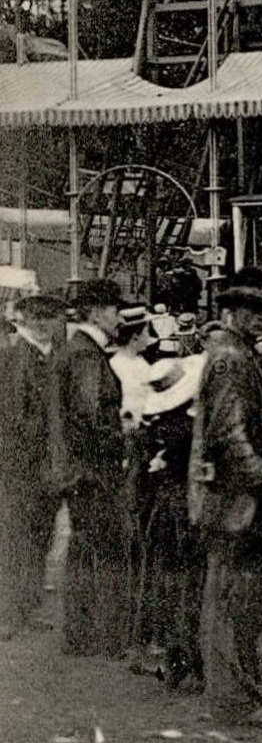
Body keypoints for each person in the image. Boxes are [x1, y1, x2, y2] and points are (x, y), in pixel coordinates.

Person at [190, 277, 262, 725]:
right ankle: (232, 701)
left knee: (241, 600)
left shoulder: (239, 353)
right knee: (233, 601)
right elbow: (228, 435)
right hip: (238, 499)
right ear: (231, 312)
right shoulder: (230, 359)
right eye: (251, 309)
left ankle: (240, 693)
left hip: (241, 496)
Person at [52, 279, 133, 658]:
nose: (120, 317)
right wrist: (124, 437)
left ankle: (80, 634)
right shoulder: (86, 355)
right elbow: (90, 417)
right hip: (94, 471)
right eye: (116, 309)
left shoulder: (78, 350)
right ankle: (100, 637)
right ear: (97, 312)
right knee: (103, 550)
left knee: (85, 549)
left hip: (81, 469)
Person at [136, 355, 207, 689]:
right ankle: (187, 663)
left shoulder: (157, 425)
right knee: (188, 587)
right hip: (183, 509)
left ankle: (168, 660)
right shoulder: (188, 428)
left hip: (161, 511)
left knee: (165, 586)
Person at [0, 294, 67, 639]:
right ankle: (8, 613)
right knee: (15, 539)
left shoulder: (51, 356)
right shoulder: (13, 357)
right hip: (21, 467)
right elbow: (12, 418)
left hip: (45, 466)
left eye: (51, 318)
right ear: (27, 320)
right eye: (39, 318)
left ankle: (26, 607)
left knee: (39, 538)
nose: (46, 324)